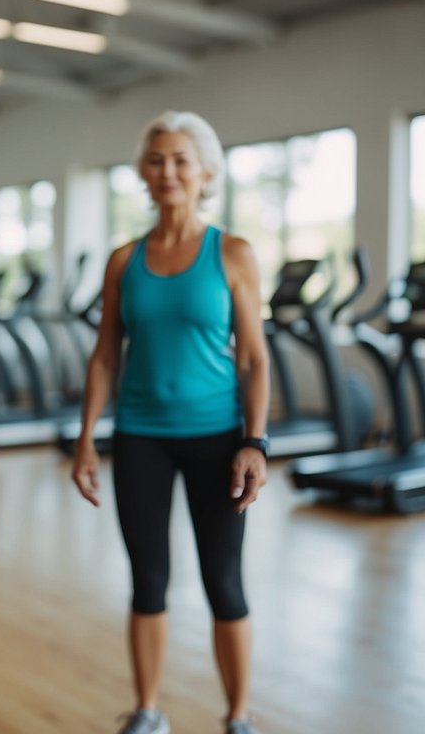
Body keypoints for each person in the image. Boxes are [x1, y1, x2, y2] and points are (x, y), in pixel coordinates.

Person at [71, 111, 269, 734]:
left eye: (181, 160)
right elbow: (106, 355)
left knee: (223, 581)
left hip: (218, 440)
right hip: (141, 440)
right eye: (157, 160)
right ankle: (149, 711)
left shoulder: (233, 253)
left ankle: (238, 718)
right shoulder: (123, 260)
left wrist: (255, 443)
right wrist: (85, 440)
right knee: (148, 579)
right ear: (143, 174)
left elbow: (256, 359)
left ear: (206, 172)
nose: (168, 171)